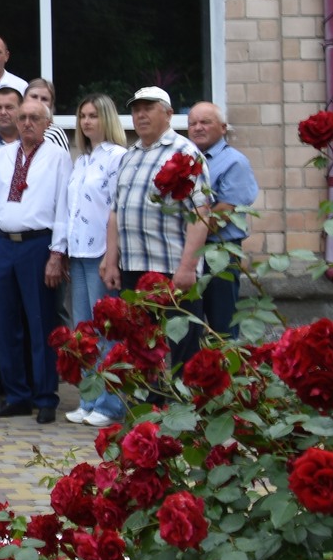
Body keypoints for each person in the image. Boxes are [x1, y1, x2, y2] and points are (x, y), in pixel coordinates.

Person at [100, 86, 210, 366]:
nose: (140, 115)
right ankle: (151, 396)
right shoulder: (130, 156)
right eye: (136, 110)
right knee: (141, 349)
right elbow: (116, 211)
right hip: (133, 269)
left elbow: (200, 212)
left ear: (169, 114)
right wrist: (111, 260)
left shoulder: (185, 153)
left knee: (183, 349)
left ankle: (184, 396)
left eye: (148, 108)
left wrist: (188, 267)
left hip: (172, 269)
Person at [0, 98, 71, 424]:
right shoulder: (2, 156)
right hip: (5, 245)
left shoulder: (57, 157)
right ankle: (16, 394)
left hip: (38, 245)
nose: (27, 123)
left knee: (41, 322)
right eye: (22, 118)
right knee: (6, 323)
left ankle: (45, 397)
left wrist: (57, 253)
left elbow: (63, 206)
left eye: (34, 118)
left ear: (47, 123)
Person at [62, 93, 129, 426]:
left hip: (101, 254)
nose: (87, 121)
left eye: (93, 115)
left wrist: (111, 256)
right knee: (83, 332)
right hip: (78, 254)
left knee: (106, 332)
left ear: (107, 118)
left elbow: (117, 208)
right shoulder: (82, 160)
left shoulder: (118, 157)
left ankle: (110, 404)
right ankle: (89, 399)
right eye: (82, 116)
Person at [186, 101, 260, 339]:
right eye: (192, 123)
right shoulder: (185, 159)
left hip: (219, 253)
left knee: (222, 326)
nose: (198, 128)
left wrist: (188, 237)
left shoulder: (234, 162)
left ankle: (227, 363)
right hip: (188, 253)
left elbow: (225, 211)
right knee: (189, 325)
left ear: (223, 127)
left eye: (205, 122)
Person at [21, 78, 72, 150]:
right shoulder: (16, 131)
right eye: (34, 97)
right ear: (24, 99)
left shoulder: (55, 134)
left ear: (51, 104)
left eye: (44, 99)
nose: (38, 102)